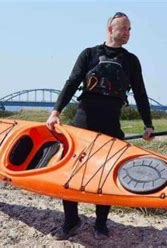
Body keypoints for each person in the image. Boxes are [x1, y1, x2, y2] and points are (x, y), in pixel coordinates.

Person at [46, 12, 154, 240]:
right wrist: (56, 112)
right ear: (110, 29)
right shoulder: (89, 54)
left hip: (111, 123)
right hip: (84, 121)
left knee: (107, 174)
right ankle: (71, 220)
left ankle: (101, 224)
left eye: (129, 29)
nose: (127, 33)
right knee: (71, 171)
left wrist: (148, 124)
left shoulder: (131, 61)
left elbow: (141, 93)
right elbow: (72, 82)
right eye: (123, 29)